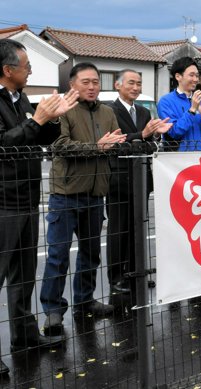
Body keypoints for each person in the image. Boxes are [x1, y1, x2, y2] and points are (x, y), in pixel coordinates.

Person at [0, 39, 77, 373]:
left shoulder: (20, 99)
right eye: (26, 66)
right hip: (3, 202)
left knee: (23, 277)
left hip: (27, 198)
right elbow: (5, 144)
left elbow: (39, 137)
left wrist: (53, 119)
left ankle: (25, 337)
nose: (30, 71)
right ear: (7, 70)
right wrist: (36, 121)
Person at [40, 62, 127, 336]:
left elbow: (115, 144)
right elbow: (60, 146)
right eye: (86, 82)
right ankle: (53, 311)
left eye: (96, 82)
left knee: (91, 254)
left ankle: (85, 302)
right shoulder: (62, 109)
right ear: (73, 85)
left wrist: (109, 148)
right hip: (65, 195)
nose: (92, 86)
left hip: (94, 194)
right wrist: (97, 147)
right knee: (58, 255)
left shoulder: (107, 112)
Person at [106, 69, 171, 296]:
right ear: (118, 85)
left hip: (142, 176)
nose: (135, 87)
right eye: (131, 83)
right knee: (118, 230)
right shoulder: (109, 111)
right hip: (118, 178)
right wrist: (142, 136)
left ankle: (136, 272)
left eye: (139, 83)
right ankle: (116, 277)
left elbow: (150, 144)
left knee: (138, 227)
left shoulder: (143, 111)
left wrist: (153, 136)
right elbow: (116, 143)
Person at [157, 57, 201, 151]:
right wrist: (192, 110)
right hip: (178, 160)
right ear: (178, 76)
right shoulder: (166, 101)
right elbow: (174, 132)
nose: (195, 79)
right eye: (191, 75)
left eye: (197, 76)